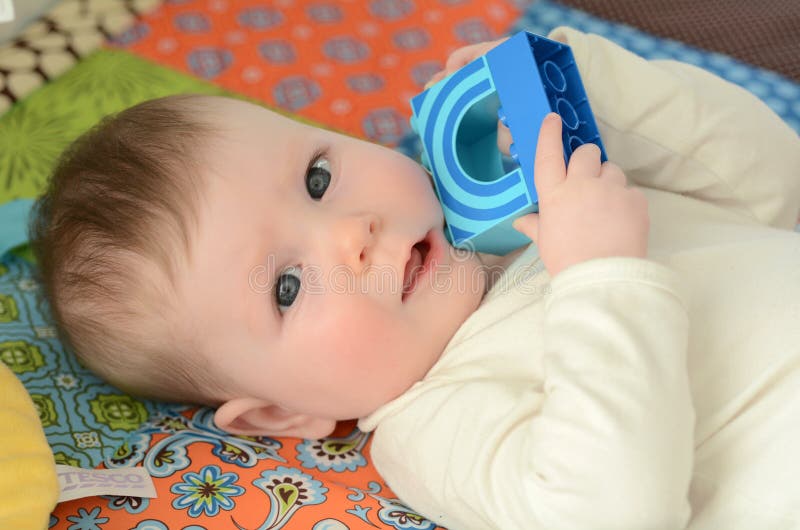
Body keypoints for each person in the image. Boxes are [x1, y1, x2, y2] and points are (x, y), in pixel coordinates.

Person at [31, 26, 800, 529]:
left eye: (319, 177)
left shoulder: (547, 194)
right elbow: (606, 513)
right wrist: (602, 278)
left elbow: (773, 189)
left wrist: (590, 93)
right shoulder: (434, 423)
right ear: (277, 415)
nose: (351, 235)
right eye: (285, 288)